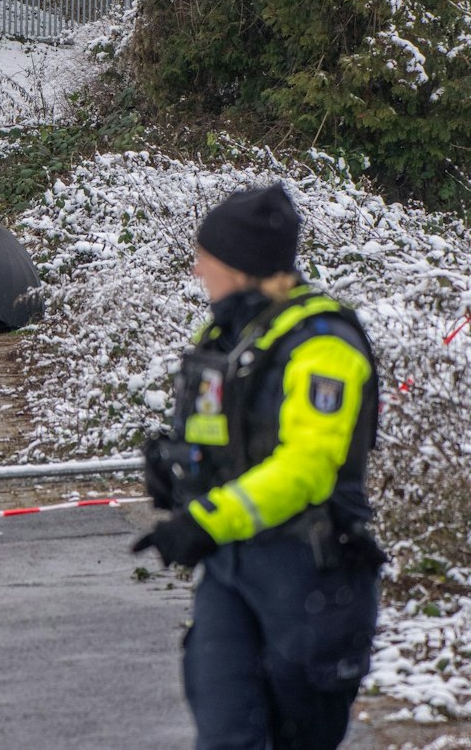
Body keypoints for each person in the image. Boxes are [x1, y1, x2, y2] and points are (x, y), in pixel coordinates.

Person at [135, 184, 383, 750]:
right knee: (224, 732)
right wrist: (177, 472)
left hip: (310, 574)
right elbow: (218, 440)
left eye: (208, 257)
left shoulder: (324, 346)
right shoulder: (227, 336)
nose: (198, 269)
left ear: (242, 265)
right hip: (231, 571)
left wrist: (208, 520)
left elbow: (308, 468)